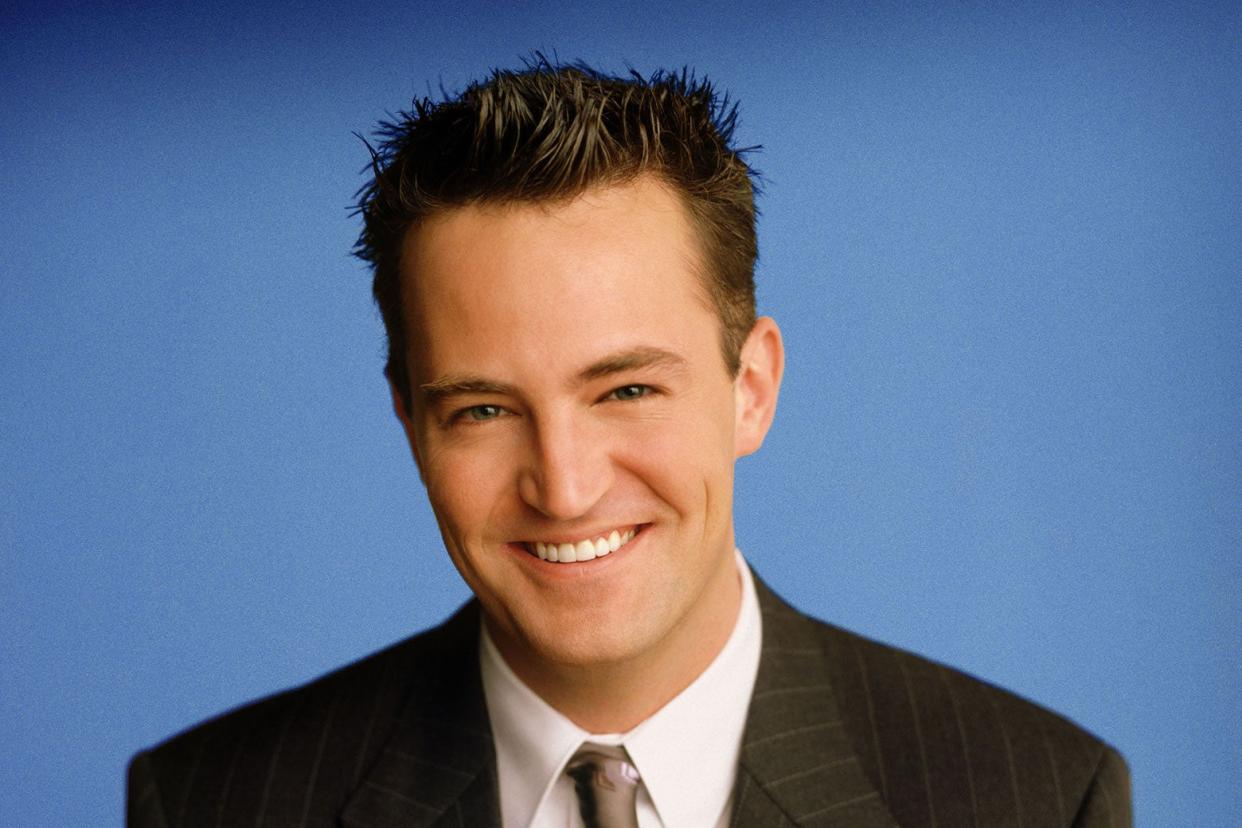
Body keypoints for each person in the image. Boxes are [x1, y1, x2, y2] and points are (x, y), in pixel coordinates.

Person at [127, 61, 1131, 827]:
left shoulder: (1035, 796)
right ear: (409, 421)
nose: (563, 488)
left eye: (628, 389)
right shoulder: (214, 799)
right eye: (482, 409)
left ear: (752, 389)